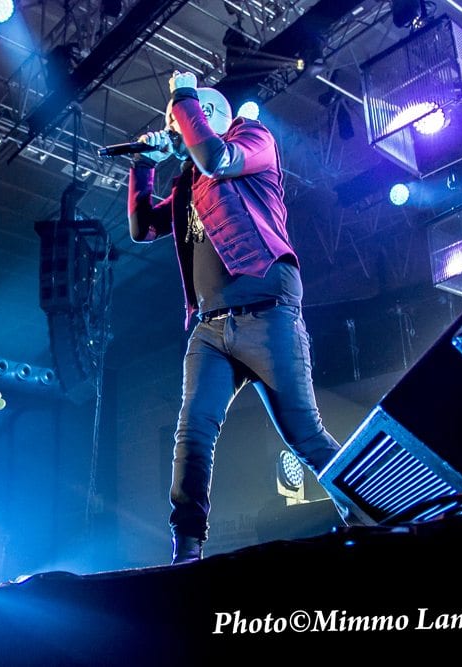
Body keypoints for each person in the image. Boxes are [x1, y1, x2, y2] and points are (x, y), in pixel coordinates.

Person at [128, 71, 346, 564]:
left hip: (267, 312)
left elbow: (214, 158)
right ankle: (187, 549)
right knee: (193, 433)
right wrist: (142, 166)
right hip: (209, 328)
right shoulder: (188, 185)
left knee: (305, 436)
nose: (176, 131)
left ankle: (375, 513)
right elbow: (143, 229)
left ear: (207, 117)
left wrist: (182, 94)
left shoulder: (253, 141)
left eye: (180, 122)